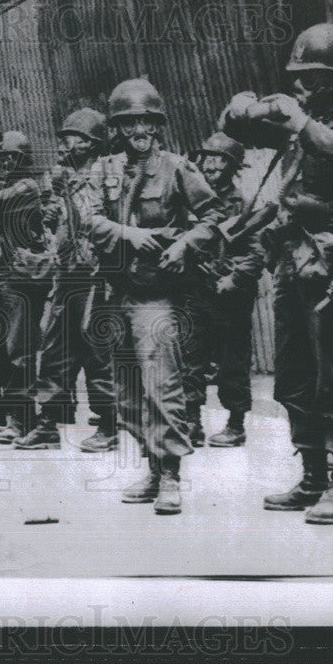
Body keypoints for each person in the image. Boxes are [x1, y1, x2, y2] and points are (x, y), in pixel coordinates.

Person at [221, 22, 333, 524]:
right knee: (294, 371)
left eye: (317, 76)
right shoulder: (307, 115)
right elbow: (236, 129)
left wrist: (298, 118)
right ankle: (313, 478)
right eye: (303, 75)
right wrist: (243, 105)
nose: (307, 84)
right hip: (292, 254)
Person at [84, 79, 225, 515]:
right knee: (126, 394)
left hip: (156, 297)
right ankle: (150, 466)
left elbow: (215, 216)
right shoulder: (102, 169)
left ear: (157, 124)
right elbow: (85, 218)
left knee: (162, 387)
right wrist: (129, 232)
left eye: (145, 121)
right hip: (115, 294)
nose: (137, 131)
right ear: (118, 128)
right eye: (128, 123)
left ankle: (171, 476)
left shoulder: (177, 168)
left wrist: (185, 244)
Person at [16, 108, 118, 452]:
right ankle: (48, 423)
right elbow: (57, 227)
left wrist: (69, 198)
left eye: (71, 138)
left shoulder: (106, 175)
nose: (63, 145)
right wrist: (50, 213)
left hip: (95, 276)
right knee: (55, 349)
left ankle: (108, 422)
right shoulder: (59, 179)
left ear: (91, 143)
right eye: (62, 139)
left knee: (97, 350)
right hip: (66, 274)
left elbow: (96, 222)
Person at [182, 131, 263, 448]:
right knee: (190, 359)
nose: (211, 165)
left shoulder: (243, 204)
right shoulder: (192, 199)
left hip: (230, 297)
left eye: (219, 160)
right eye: (207, 158)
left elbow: (257, 254)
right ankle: (191, 422)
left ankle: (235, 424)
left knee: (233, 362)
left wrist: (233, 276)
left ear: (232, 166)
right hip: (195, 291)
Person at [0, 131, 52, 444]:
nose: (4, 163)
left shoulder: (27, 186)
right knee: (0, 349)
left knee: (20, 350)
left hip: (25, 280)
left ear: (22, 159)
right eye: (1, 158)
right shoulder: (5, 185)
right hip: (4, 277)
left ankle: (23, 419)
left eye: (10, 157)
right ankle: (9, 414)